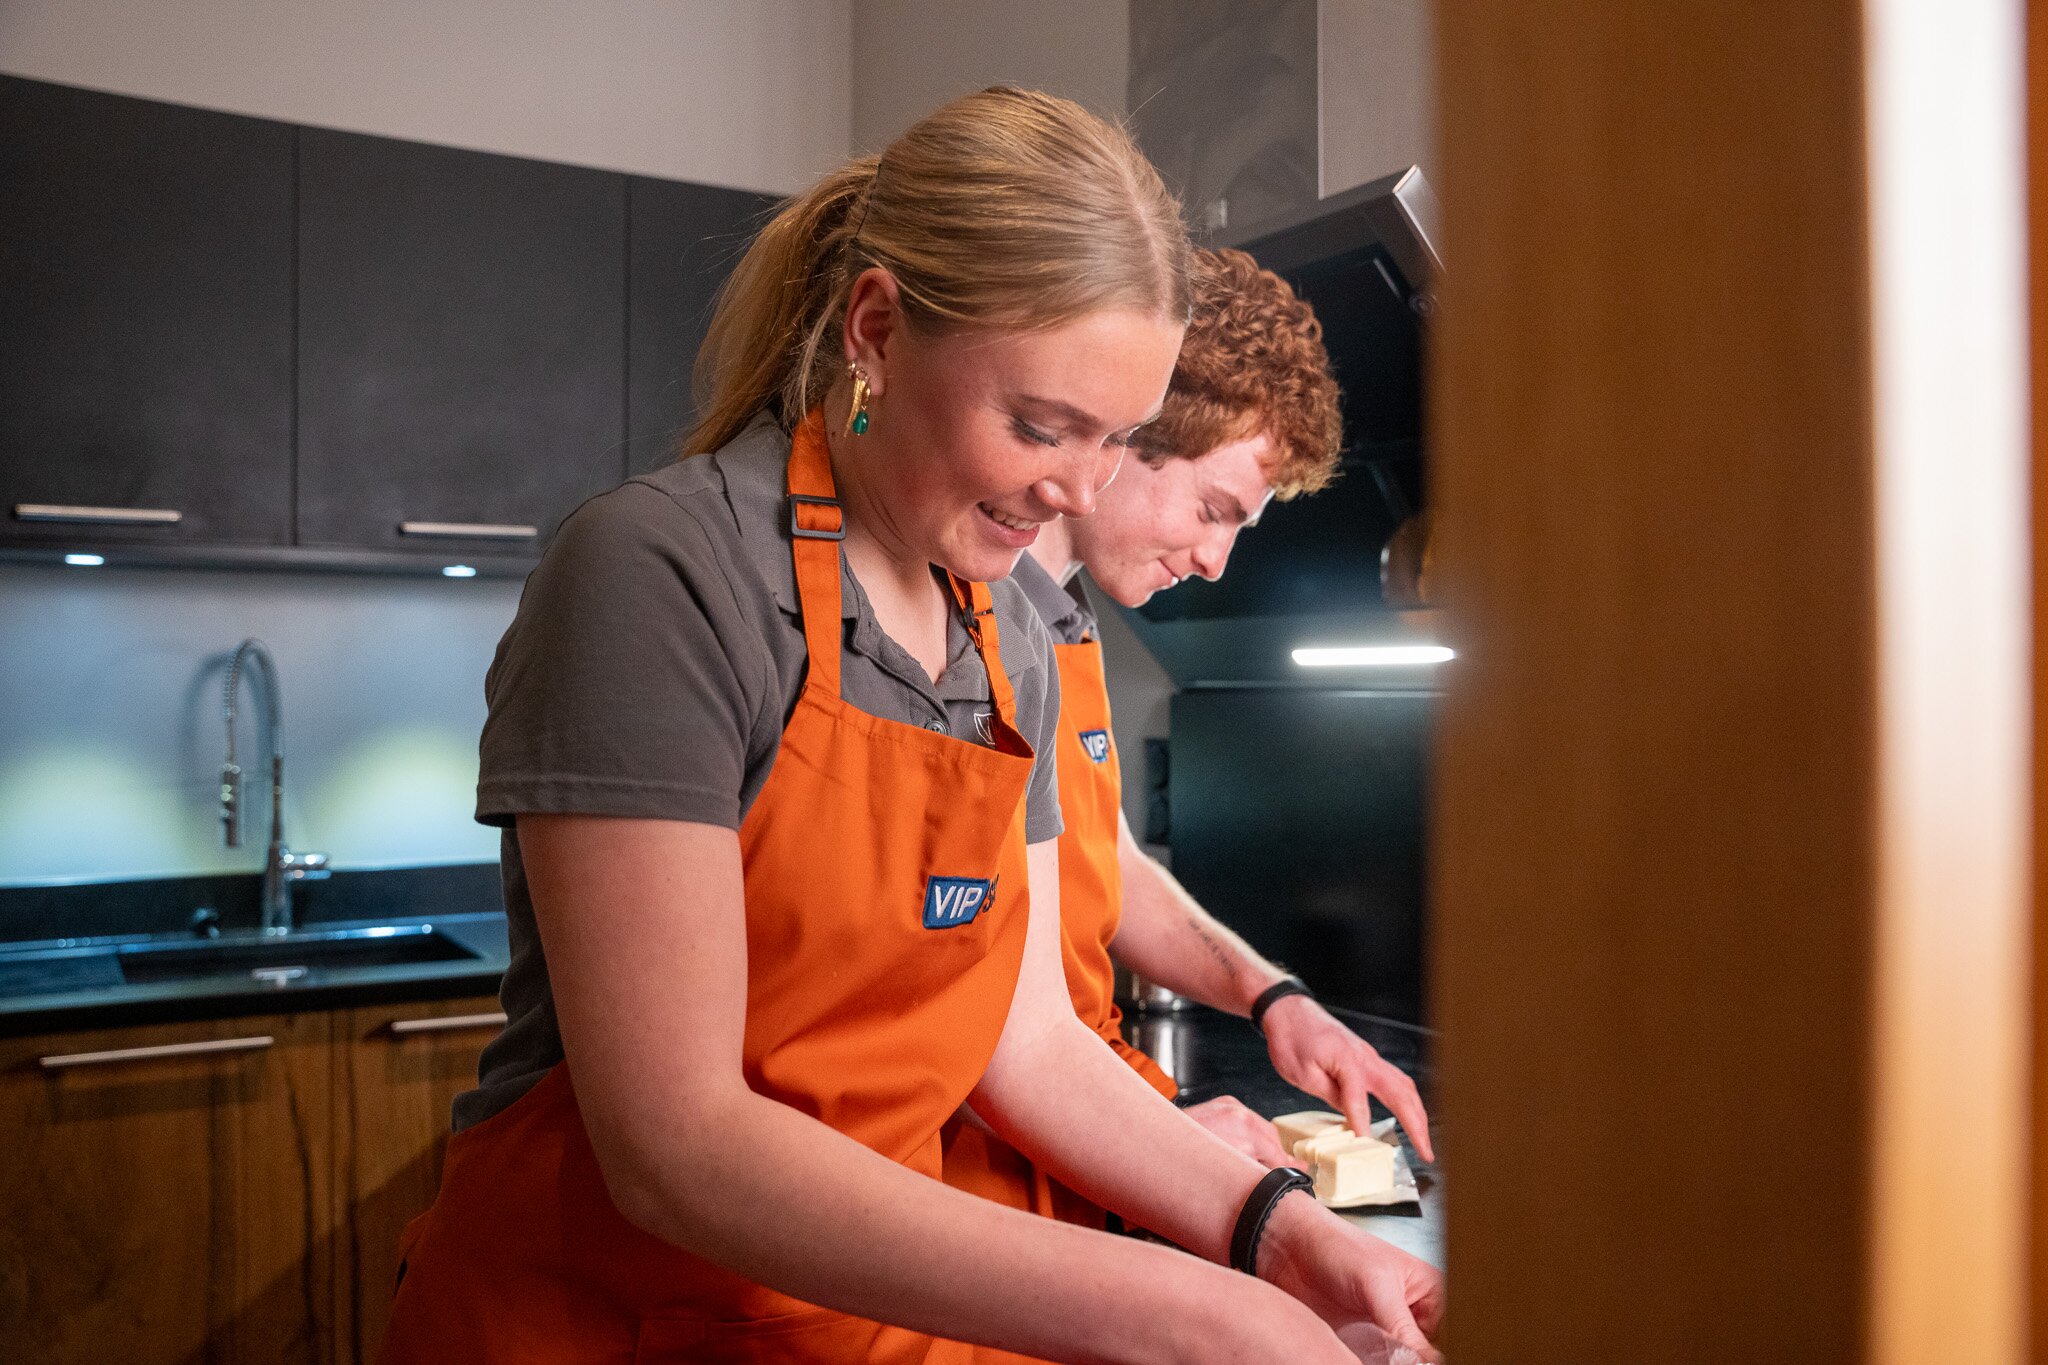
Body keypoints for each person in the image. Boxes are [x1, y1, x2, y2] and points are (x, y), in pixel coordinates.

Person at [379, 89, 1441, 1365]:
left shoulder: (1005, 639)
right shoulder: (662, 575)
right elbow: (677, 1147)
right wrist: (1190, 1312)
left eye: (1112, 441)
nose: (1073, 488)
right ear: (876, 328)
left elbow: (1025, 1041)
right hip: (599, 1321)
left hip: (850, 1322)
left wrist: (1276, 1235)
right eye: (1040, 427)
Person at [940, 250, 1438, 1363]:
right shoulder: (957, 630)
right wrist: (1175, 1144)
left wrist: (1272, 997)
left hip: (1054, 1159)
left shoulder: (1056, 629)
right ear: (1123, 433)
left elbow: (1100, 862)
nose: (1215, 562)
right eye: (1213, 509)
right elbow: (952, 1023)